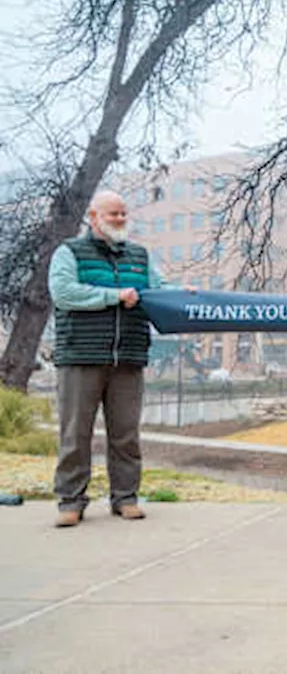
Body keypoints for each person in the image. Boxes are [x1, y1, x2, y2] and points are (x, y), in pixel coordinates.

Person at [48, 190, 172, 527]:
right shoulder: (69, 252)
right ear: (93, 217)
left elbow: (159, 291)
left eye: (122, 213)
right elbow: (63, 293)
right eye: (112, 214)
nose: (119, 219)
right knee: (75, 434)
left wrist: (182, 294)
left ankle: (126, 498)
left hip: (128, 357)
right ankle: (70, 502)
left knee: (126, 434)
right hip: (80, 356)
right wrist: (114, 296)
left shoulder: (139, 256)